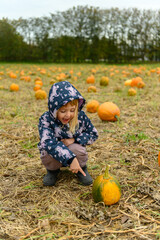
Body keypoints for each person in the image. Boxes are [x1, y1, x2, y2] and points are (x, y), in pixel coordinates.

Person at [38, 81, 98, 186]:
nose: (68, 115)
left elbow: (93, 134)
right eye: (63, 111)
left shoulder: (80, 117)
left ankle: (81, 168)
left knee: (76, 149)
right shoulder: (46, 119)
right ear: (54, 109)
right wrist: (71, 159)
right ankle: (53, 170)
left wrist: (75, 140)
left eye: (72, 110)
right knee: (47, 153)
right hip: (55, 153)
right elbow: (47, 143)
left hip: (73, 149)